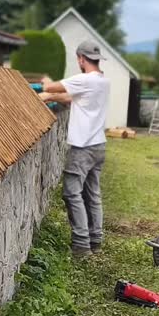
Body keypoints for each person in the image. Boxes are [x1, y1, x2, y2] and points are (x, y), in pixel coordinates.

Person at [40, 41, 110, 259]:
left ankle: (81, 246)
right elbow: (72, 98)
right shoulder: (102, 81)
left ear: (81, 58)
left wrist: (45, 83)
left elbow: (51, 87)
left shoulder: (84, 79)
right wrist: (51, 97)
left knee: (72, 193)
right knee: (93, 195)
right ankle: (95, 240)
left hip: (82, 148)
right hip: (99, 146)